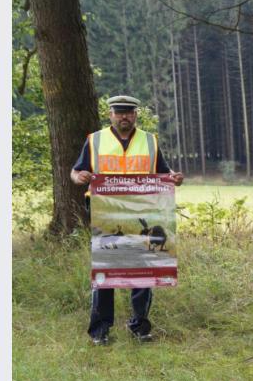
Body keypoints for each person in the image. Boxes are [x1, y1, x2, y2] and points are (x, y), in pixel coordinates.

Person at [71, 95, 184, 345]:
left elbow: (164, 174)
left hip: (143, 214)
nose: (124, 117)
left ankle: (140, 326)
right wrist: (78, 177)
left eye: (129, 112)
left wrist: (175, 178)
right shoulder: (95, 140)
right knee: (106, 270)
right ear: (110, 114)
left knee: (143, 271)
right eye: (119, 112)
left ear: (135, 115)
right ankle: (100, 330)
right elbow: (76, 170)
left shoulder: (150, 141)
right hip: (105, 213)